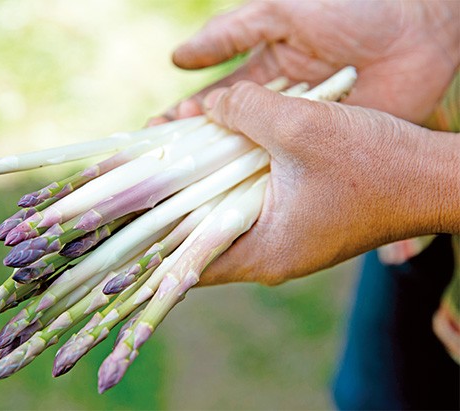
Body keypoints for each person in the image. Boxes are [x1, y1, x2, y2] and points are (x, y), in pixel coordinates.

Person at [151, 1, 460, 409]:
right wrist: (437, 20)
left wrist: (430, 178)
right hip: (430, 140)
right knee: (369, 395)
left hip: (408, 177)